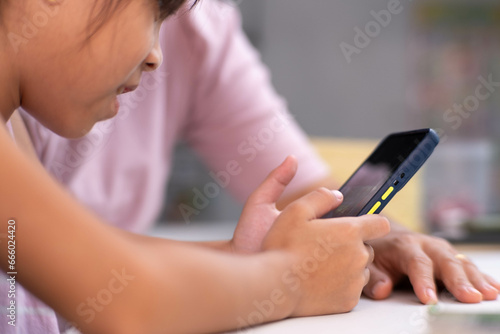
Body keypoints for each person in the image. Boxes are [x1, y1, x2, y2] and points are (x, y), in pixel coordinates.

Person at [0, 1, 498, 334]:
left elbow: (75, 263)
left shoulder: (11, 130)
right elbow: (129, 302)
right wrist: (288, 279)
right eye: (155, 9)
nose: (156, 56)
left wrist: (242, 259)